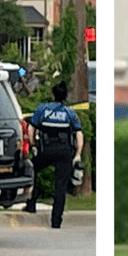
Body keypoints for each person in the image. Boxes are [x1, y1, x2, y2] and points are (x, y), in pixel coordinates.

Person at [25, 82, 84, 229]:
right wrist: (77, 154)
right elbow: (79, 134)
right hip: (64, 152)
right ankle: (56, 221)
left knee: (32, 171)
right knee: (60, 186)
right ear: (65, 97)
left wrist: (33, 146)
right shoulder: (70, 113)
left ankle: (31, 203)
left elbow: (30, 128)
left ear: (53, 94)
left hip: (46, 150)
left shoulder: (42, 109)